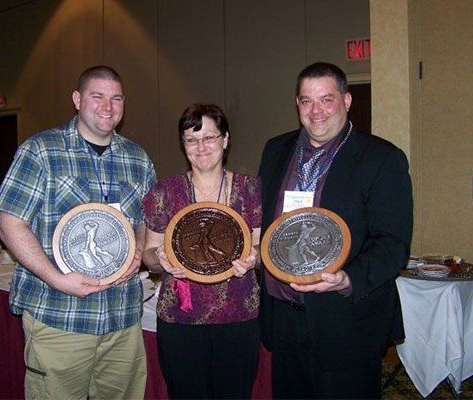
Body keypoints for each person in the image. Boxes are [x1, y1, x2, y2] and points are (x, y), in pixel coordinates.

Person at [0, 65, 156, 399]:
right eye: (98, 96)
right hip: (60, 315)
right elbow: (9, 226)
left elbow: (145, 222)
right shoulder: (41, 151)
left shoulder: (137, 159)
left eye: (116, 98)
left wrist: (136, 253)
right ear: (78, 99)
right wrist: (56, 278)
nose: (108, 106)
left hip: (122, 320)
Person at [258, 62, 413, 399]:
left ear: (346, 100)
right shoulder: (275, 150)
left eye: (326, 99)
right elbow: (264, 223)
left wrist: (349, 278)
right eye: (306, 101)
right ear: (297, 104)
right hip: (283, 318)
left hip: (345, 322)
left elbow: (393, 243)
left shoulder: (382, 159)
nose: (316, 111)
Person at [142, 103, 262, 399]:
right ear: (183, 146)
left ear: (225, 139)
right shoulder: (164, 192)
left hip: (238, 317)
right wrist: (158, 259)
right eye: (192, 140)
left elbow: (259, 244)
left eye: (209, 137)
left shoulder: (251, 189)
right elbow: (148, 253)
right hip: (181, 320)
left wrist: (254, 258)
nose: (201, 146)